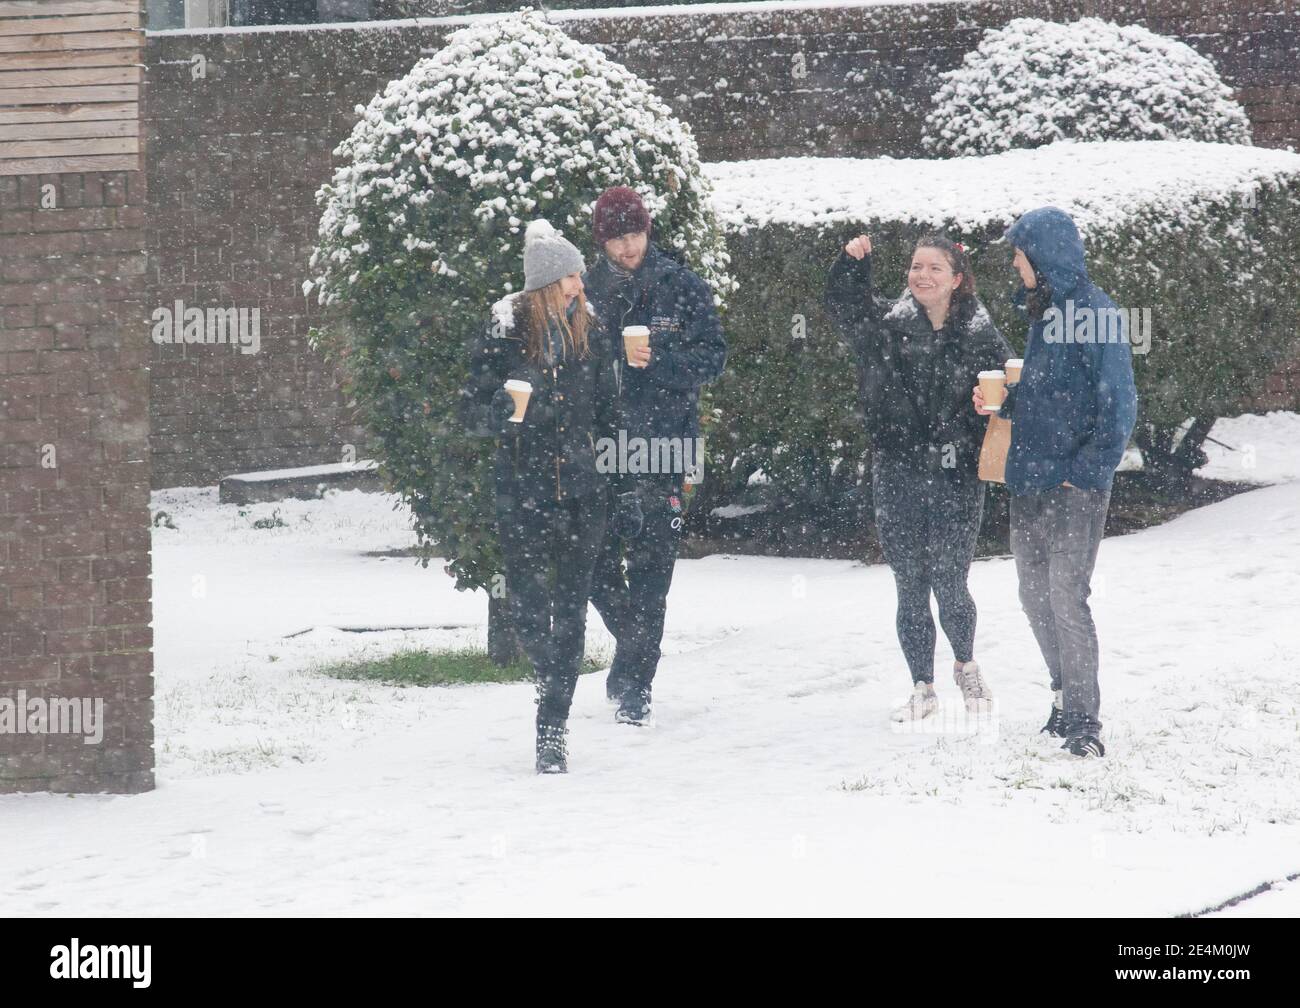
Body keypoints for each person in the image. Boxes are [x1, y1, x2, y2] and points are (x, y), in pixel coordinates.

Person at [461, 219, 626, 774]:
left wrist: (614, 463)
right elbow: (471, 411)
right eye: (573, 276)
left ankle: (552, 726)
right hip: (524, 492)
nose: (582, 283)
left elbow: (607, 412)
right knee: (533, 613)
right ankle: (549, 678)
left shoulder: (592, 331)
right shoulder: (505, 331)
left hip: (582, 493)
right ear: (549, 285)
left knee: (572, 615)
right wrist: (510, 414)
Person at [826, 232, 1011, 722]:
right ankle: (921, 686)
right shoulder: (888, 324)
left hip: (955, 473)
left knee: (951, 578)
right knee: (909, 582)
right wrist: (850, 265)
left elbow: (1013, 387)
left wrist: (991, 405)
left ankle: (966, 664)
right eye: (915, 267)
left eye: (934, 268)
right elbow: (845, 308)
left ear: (956, 278)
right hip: (897, 468)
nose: (922, 276)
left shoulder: (980, 333)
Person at [973, 206, 1137, 758]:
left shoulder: (1096, 312)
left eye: (1019, 254)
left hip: (1074, 483)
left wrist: (1086, 473)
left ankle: (1085, 722)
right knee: (1033, 593)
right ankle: (1063, 696)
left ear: (1043, 257)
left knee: (1067, 595)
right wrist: (1005, 403)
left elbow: (1119, 405)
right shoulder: (1044, 312)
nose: (1015, 264)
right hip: (1031, 477)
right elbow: (1051, 391)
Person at [585, 186, 727, 726]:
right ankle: (636, 645)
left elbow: (712, 358)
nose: (628, 247)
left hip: (666, 443)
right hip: (600, 445)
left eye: (635, 235)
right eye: (617, 239)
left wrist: (655, 360)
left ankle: (636, 683)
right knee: (593, 559)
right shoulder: (585, 290)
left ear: (649, 230)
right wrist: (610, 361)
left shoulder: (681, 285)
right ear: (602, 242)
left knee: (652, 567)